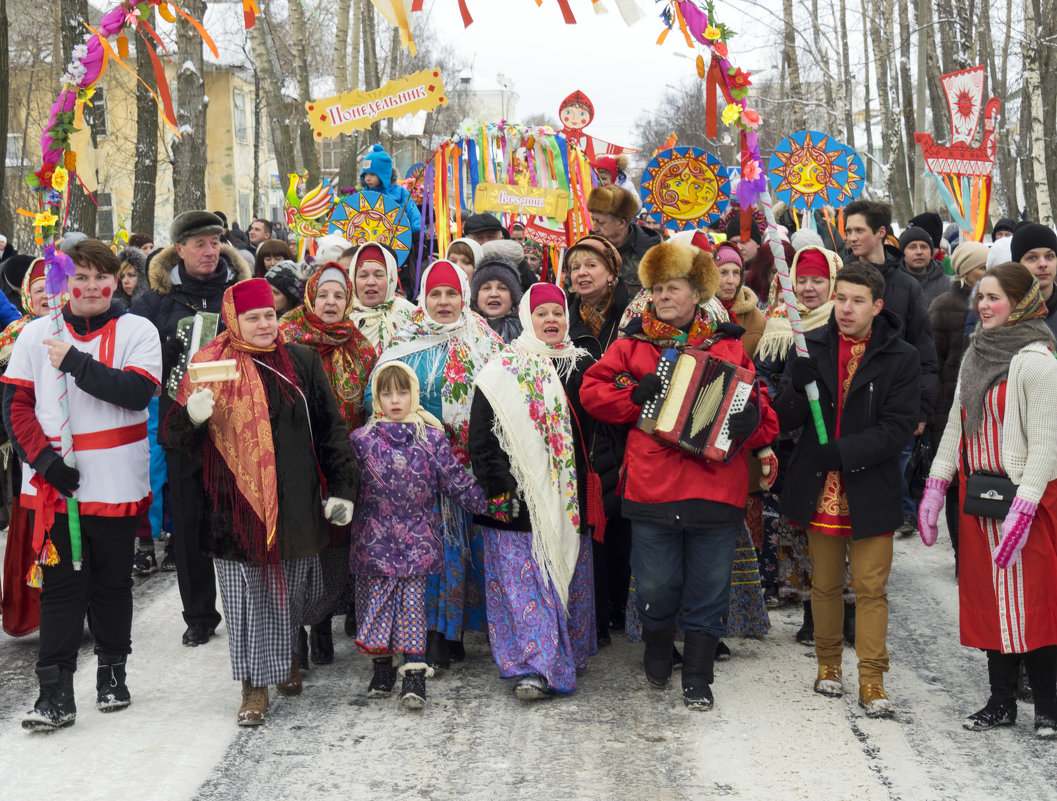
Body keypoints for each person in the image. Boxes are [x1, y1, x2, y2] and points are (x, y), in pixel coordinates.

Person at [580, 238, 778, 710]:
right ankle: (656, 645)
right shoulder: (632, 345)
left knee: (710, 587)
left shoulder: (728, 345)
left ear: (697, 293)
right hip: (652, 487)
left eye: (672, 288)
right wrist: (632, 397)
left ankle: (698, 674)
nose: (662, 297)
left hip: (714, 489)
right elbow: (592, 393)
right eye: (656, 290)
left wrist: (751, 423)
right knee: (654, 584)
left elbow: (761, 410)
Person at [164, 278, 358, 725]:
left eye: (269, 315)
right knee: (246, 600)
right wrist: (194, 416)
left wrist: (343, 488)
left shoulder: (302, 361)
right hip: (232, 508)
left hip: (295, 502)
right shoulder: (209, 365)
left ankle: (286, 649)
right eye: (253, 317)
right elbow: (174, 437)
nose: (265, 324)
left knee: (296, 592)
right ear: (234, 320)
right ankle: (255, 684)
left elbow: (330, 428)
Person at [4, 239, 161, 729]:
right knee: (61, 589)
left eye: (101, 278)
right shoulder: (36, 334)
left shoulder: (138, 330)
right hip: (55, 487)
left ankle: (113, 673)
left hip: (115, 484)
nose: (91, 287)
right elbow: (16, 407)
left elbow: (136, 393)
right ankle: (54, 692)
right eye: (80, 278)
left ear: (116, 281)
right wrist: (45, 461)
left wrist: (75, 362)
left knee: (112, 585)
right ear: (64, 282)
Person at [918, 262, 1057, 739]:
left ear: (1020, 303)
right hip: (982, 499)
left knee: (1035, 602)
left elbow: (1047, 444)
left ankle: (1048, 708)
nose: (984, 305)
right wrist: (937, 484)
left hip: (1028, 500)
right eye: (981, 297)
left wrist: (1026, 506)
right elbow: (956, 423)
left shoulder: (1037, 360)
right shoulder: (978, 351)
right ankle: (1001, 701)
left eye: (995, 297)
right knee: (991, 601)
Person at [775, 261, 919, 718]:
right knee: (826, 583)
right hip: (819, 485)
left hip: (869, 485)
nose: (846, 309)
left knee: (872, 588)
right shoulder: (809, 346)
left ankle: (873, 679)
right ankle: (828, 666)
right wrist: (796, 390)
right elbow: (783, 418)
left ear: (878, 306)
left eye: (857, 301)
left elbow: (897, 429)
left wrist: (843, 451)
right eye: (841, 298)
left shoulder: (901, 356)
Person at [366, 260, 504, 668]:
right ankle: (425, 632)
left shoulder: (486, 342)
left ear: (464, 296)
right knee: (425, 551)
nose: (443, 302)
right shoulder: (402, 341)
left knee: (461, 552)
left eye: (451, 293)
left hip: (468, 471)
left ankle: (455, 630)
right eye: (435, 294)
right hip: (414, 472)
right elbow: (376, 398)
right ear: (423, 298)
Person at [471, 282, 599, 699]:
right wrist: (499, 489)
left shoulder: (582, 366)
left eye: (557, 313)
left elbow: (596, 435)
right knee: (524, 587)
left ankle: (563, 655)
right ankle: (533, 667)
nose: (550, 320)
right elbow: (482, 438)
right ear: (527, 317)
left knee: (562, 574)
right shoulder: (501, 371)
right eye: (541, 313)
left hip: (568, 500)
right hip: (516, 503)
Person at [132, 211, 252, 646]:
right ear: (178, 249)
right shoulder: (154, 301)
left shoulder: (240, 292)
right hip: (181, 426)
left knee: (242, 516)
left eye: (214, 241)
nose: (209, 250)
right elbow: (139, 357)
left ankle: (248, 608)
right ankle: (199, 614)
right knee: (187, 521)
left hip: (239, 424)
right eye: (199, 243)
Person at [351, 362, 496, 708]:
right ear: (376, 398)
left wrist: (491, 505)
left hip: (418, 542)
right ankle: (382, 669)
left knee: (414, 611)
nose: (395, 400)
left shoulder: (430, 439)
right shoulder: (361, 441)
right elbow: (344, 483)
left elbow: (455, 479)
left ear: (414, 395)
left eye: (402, 392)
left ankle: (415, 678)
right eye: (386, 393)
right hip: (373, 544)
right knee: (377, 610)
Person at [279, 261, 377, 665]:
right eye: (324, 295)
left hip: (342, 460)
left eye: (339, 295)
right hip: (299, 460)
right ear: (310, 296)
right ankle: (297, 632)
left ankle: (322, 626)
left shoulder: (361, 345)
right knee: (303, 546)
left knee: (337, 543)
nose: (331, 302)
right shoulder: (284, 338)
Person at [754, 246, 843, 637]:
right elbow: (764, 378)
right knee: (803, 528)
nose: (808, 288)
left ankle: (847, 612)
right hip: (794, 444)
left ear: (833, 284)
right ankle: (812, 611)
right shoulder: (780, 325)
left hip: (839, 445)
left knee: (840, 529)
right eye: (801, 279)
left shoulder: (845, 323)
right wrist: (781, 395)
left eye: (817, 281)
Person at [842, 199, 939, 535]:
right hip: (850, 399)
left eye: (859, 230)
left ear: (881, 233)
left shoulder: (906, 286)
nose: (851, 238)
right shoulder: (840, 279)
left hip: (895, 401)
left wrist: (922, 408)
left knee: (892, 481)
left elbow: (924, 350)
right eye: (848, 230)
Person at [564, 235, 633, 644]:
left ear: (612, 273)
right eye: (575, 267)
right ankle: (599, 612)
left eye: (591, 265)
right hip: (582, 434)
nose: (582, 273)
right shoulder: (562, 315)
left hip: (626, 431)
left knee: (625, 524)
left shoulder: (631, 316)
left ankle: (625, 608)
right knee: (594, 524)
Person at [0, 258, 67, 637]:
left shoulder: (74, 331)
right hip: (21, 448)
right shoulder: (13, 335)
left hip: (69, 448)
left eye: (53, 289)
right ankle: (33, 611)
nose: (47, 296)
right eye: (39, 290)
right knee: (30, 522)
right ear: (27, 295)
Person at [928, 241, 989, 573]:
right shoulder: (943, 306)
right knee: (954, 485)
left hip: (987, 407)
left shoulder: (997, 302)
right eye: (981, 267)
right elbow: (934, 362)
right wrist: (931, 411)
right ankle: (960, 556)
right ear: (967, 272)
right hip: (949, 406)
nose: (987, 273)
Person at [588, 185, 660, 291]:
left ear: (621, 222)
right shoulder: (587, 248)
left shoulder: (650, 254)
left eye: (601, 222)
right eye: (593, 220)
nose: (594, 228)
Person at [348, 242, 416, 354]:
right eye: (363, 275)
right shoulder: (342, 317)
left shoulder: (410, 316)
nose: (370, 282)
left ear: (391, 278)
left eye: (378, 275)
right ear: (353, 279)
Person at [724, 216, 796, 312]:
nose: (739, 247)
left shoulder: (798, 290)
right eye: (733, 242)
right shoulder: (742, 288)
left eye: (744, 242)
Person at [713, 242, 765, 358]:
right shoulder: (697, 312)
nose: (730, 280)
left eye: (736, 273)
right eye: (723, 272)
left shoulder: (756, 318)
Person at [360, 144, 422, 233]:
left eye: (372, 174)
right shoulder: (363, 196)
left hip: (397, 239)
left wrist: (418, 233)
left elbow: (413, 213)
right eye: (365, 174)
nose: (367, 178)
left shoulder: (400, 193)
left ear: (384, 174)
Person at [1011, 223, 1057, 338]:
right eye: (1032, 258)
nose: (1043, 264)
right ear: (1018, 265)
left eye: (1049, 256)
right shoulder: (1002, 311)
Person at [470, 256, 523, 343]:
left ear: (513, 297)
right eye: (486, 288)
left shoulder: (525, 335)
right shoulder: (463, 331)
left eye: (502, 288)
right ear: (476, 296)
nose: (494, 294)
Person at [899, 226, 950, 309]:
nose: (919, 252)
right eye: (912, 247)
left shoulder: (948, 285)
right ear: (902, 252)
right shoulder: (892, 284)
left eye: (924, 247)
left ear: (931, 252)